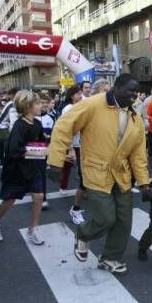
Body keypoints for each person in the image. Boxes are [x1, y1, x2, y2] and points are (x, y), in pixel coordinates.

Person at [47, 73, 151, 274]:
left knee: (123, 221)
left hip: (121, 175)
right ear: (117, 87)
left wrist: (144, 183)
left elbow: (138, 155)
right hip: (95, 171)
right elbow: (63, 127)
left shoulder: (135, 118)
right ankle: (83, 234)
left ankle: (110, 258)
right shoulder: (93, 104)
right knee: (105, 218)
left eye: (137, 91)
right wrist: (55, 161)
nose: (135, 95)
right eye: (131, 90)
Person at [0, 90, 47, 246]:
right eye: (38, 103)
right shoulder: (19, 126)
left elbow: (41, 144)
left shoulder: (37, 124)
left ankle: (33, 229)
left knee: (39, 197)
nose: (42, 105)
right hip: (16, 170)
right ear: (27, 106)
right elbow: (13, 150)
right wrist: (36, 151)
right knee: (10, 200)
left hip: (33, 167)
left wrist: (49, 147)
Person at [59, 85, 86, 221]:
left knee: (85, 176)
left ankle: (77, 205)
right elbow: (67, 129)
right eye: (77, 94)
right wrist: (70, 149)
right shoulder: (68, 109)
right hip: (76, 145)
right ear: (71, 96)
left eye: (81, 93)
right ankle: (75, 209)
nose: (80, 95)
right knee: (83, 176)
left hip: (85, 145)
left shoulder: (83, 105)